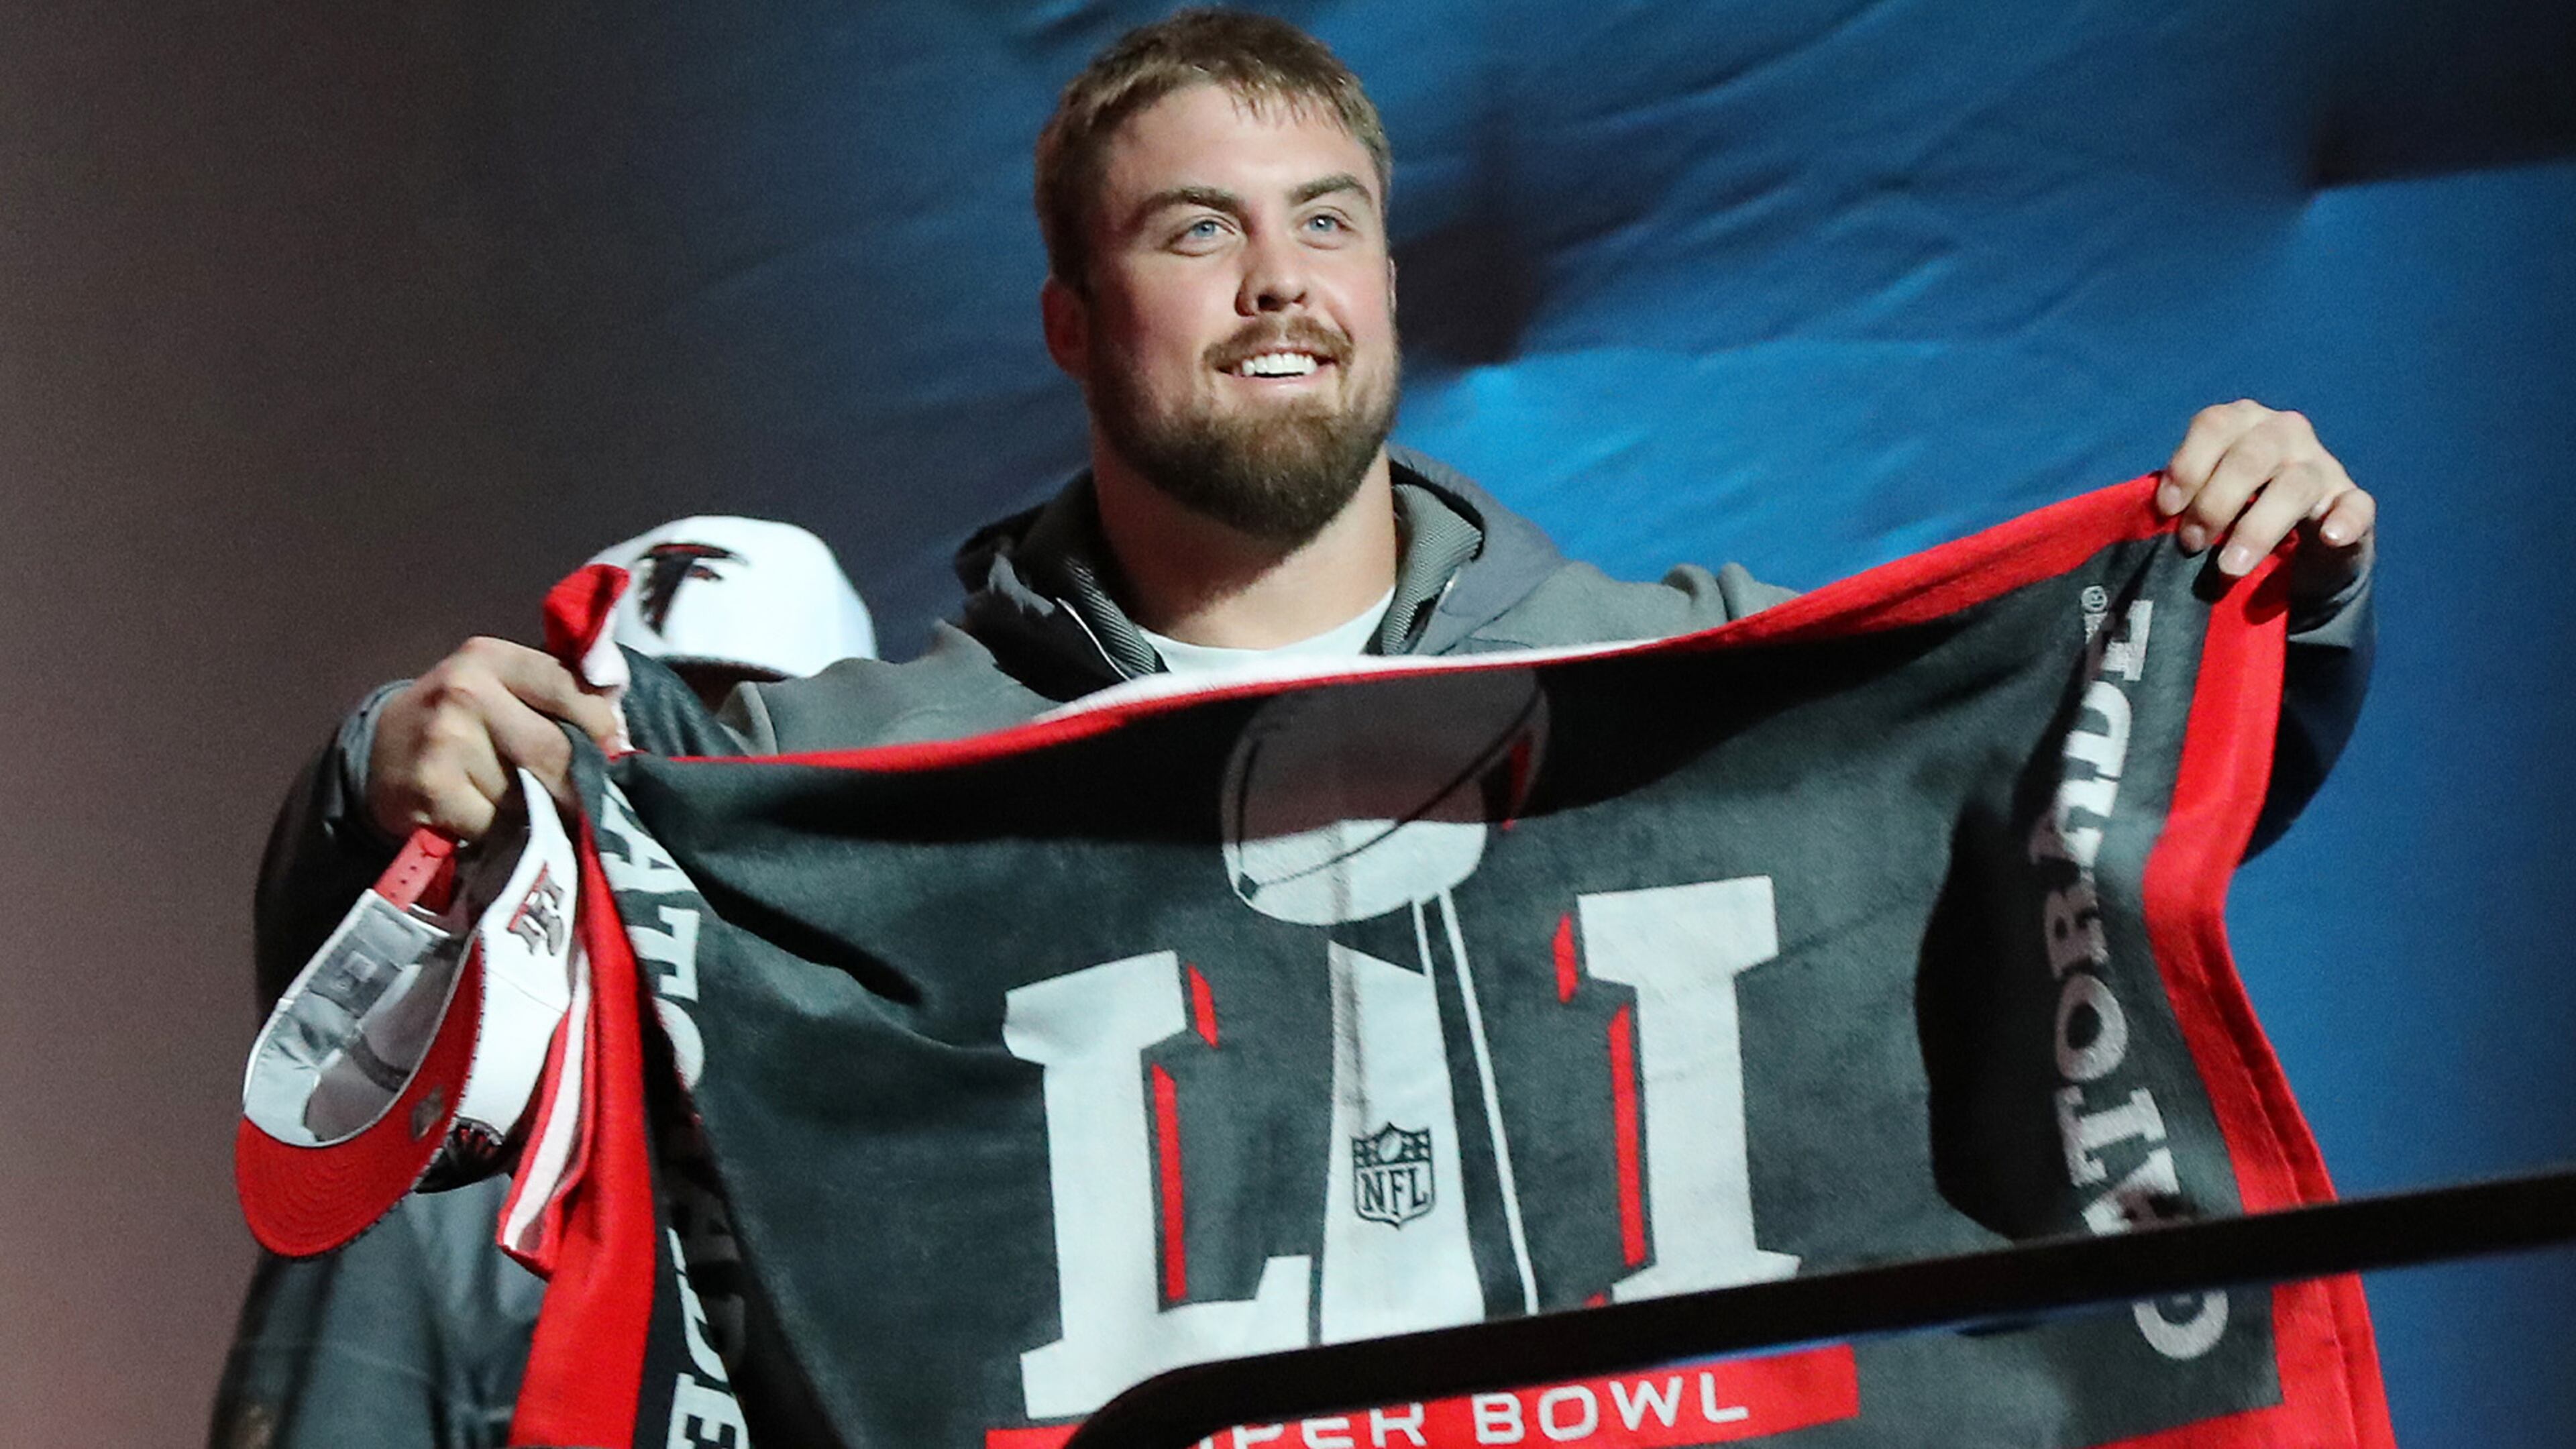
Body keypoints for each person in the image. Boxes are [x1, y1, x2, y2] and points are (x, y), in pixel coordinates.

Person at [226, 9, 2377, 1443]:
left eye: (1326, 224)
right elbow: (447, 1051)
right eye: (1198, 231)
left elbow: (2081, 816)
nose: (1279, 279)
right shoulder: (852, 769)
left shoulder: (1684, 675)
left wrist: (2268, 581)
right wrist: (385, 784)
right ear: (1073, 322)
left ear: (1386, 293)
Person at [211, 519, 875, 1449]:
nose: (680, 795)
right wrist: (359, 785)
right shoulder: (437, 1185)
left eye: (742, 744)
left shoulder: (940, 1141)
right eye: (628, 743)